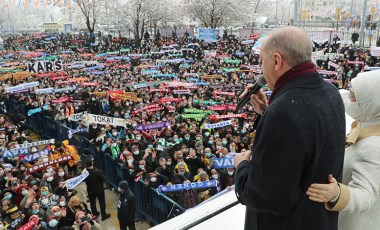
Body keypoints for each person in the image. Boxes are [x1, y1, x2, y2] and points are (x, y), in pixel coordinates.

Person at [233, 27, 346, 230]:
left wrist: (242, 167)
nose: (261, 69)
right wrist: (266, 112)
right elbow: (302, 139)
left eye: (262, 61)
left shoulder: (283, 110)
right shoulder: (331, 92)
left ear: (276, 60)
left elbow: (268, 196)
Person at [306, 70, 380, 230]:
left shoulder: (373, 146)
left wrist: (337, 194)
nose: (349, 99)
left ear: (373, 104)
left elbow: (366, 195)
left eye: (355, 98)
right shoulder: (364, 130)